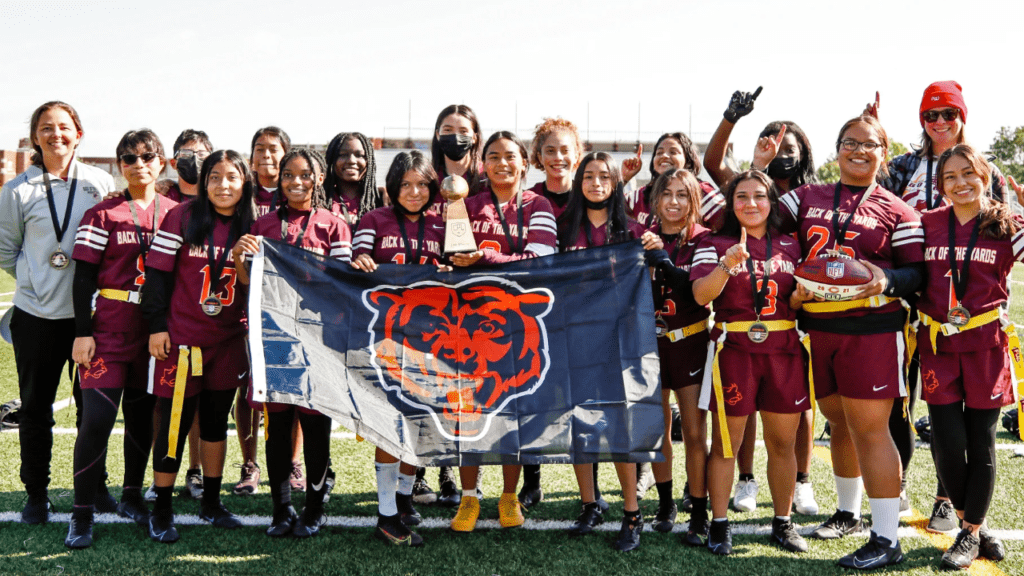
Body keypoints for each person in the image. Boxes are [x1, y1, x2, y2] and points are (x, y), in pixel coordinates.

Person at [783, 115, 924, 569]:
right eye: (850, 143)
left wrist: (885, 279)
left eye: (869, 145)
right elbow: (752, 212)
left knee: (870, 428)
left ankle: (887, 538)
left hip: (871, 331)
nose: (858, 151)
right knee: (838, 423)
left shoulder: (897, 210)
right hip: (819, 330)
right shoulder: (809, 196)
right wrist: (763, 164)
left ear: (884, 153)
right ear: (837, 147)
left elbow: (917, 273)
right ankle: (847, 512)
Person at [875, 82, 1008, 530]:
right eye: (931, 116)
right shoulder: (901, 167)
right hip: (911, 294)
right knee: (902, 399)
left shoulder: (986, 169)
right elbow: (873, 211)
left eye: (948, 114)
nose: (940, 123)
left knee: (959, 419)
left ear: (962, 117)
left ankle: (946, 500)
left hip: (968, 311)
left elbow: (1003, 235)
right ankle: (898, 484)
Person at [703, 88, 821, 517]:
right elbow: (722, 172)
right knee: (739, 420)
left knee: (792, 418)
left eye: (789, 146)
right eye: (774, 146)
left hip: (788, 329)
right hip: (740, 332)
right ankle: (745, 484)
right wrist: (754, 162)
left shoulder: (807, 201)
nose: (780, 152)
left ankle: (800, 487)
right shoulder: (746, 199)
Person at [0, 101, 113, 525]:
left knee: (93, 410)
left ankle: (96, 486)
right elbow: (5, 249)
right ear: (35, 137)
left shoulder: (100, 183)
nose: (56, 135)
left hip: (91, 318)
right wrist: (33, 277)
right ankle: (36, 493)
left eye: (64, 127)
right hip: (35, 316)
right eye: (46, 128)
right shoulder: (17, 190)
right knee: (34, 410)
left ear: (78, 134)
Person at [64, 129, 178, 548]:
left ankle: (132, 495)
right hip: (110, 327)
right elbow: (83, 278)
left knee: (142, 420)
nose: (138, 163)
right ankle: (81, 513)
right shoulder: (103, 213)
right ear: (120, 165)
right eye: (128, 158)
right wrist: (82, 333)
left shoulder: (175, 213)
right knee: (95, 420)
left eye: (147, 155)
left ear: (161, 161)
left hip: (155, 333)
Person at [234, 148, 351, 539]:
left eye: (304, 175)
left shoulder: (334, 225)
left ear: (318, 178)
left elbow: (341, 284)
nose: (295, 182)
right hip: (275, 336)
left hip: (318, 338)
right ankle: (281, 508)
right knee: (278, 424)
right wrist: (238, 257)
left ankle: (314, 508)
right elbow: (249, 283)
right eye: (287, 175)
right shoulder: (263, 224)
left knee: (316, 426)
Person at [691, 170, 809, 555]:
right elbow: (699, 295)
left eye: (759, 196)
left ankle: (783, 521)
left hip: (784, 348)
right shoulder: (713, 242)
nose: (751, 204)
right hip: (735, 351)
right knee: (727, 443)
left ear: (772, 201)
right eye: (741, 197)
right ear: (730, 203)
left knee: (782, 443)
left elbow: (797, 300)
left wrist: (801, 298)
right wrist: (725, 265)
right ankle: (720, 523)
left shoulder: (792, 243)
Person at [142, 149, 257, 543]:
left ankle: (210, 500)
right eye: (214, 177)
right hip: (183, 340)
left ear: (245, 182)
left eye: (232, 177)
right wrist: (157, 327)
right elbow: (155, 276)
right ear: (204, 183)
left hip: (227, 340)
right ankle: (161, 507)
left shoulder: (254, 223)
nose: (223, 185)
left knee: (214, 422)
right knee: (173, 427)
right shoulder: (183, 216)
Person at [448, 131, 557, 532]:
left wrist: (487, 258)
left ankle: (509, 497)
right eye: (493, 156)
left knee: (511, 413)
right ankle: (469, 497)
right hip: (468, 323)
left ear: (524, 163)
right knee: (467, 411)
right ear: (482, 164)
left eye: (510, 156)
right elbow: (451, 255)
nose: (502, 163)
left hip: (518, 324)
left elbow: (541, 260)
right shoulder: (466, 204)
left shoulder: (538, 204)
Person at [917, 144, 1016, 568]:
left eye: (968, 174)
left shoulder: (1005, 223)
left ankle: (971, 530)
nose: (960, 184)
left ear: (984, 176)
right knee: (947, 442)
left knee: (982, 440)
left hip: (985, 345)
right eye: (950, 177)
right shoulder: (925, 223)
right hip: (939, 343)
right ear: (940, 185)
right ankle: (970, 524)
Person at [556, 151, 661, 551]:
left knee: (619, 425)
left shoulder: (634, 231)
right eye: (589, 176)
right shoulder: (564, 228)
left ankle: (632, 513)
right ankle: (589, 504)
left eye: (604, 176)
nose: (596, 183)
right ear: (578, 181)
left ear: (616, 184)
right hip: (573, 336)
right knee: (579, 423)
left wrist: (652, 252)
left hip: (620, 341)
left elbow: (650, 281)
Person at [351, 150, 446, 547]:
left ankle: (404, 499)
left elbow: (461, 267)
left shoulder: (443, 224)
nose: (414, 192)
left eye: (422, 184)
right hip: (386, 337)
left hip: (433, 339)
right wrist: (360, 260)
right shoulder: (374, 219)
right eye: (405, 184)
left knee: (421, 422)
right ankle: (386, 514)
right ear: (392, 186)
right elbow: (355, 257)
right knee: (391, 425)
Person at [645, 168, 713, 544]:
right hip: (650, 345)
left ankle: (699, 510)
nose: (674, 201)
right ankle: (666, 502)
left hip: (688, 340)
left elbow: (694, 290)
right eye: (667, 193)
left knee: (693, 430)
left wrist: (662, 261)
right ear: (655, 199)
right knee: (657, 431)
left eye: (682, 194)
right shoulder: (643, 238)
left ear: (694, 200)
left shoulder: (703, 239)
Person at [231, 126, 291, 498]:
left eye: (274, 149)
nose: (266, 156)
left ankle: (294, 463)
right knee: (246, 386)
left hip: (285, 305)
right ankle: (249, 462)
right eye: (259, 149)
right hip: (243, 300)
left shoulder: (296, 190)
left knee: (290, 386)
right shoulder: (242, 193)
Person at [621, 131, 725, 230]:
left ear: (687, 160)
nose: (664, 156)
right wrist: (624, 178)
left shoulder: (701, 192)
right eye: (659, 152)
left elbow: (729, 226)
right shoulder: (642, 194)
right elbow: (610, 208)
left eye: (673, 152)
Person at [324, 132, 386, 228]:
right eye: (343, 154)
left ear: (369, 161)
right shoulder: (321, 199)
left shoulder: (381, 201)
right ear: (332, 159)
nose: (351, 160)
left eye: (359, 155)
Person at [528, 117, 584, 219]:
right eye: (550, 151)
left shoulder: (586, 197)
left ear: (576, 156)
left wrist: (622, 181)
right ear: (540, 157)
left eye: (565, 150)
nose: (558, 157)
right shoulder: (528, 200)